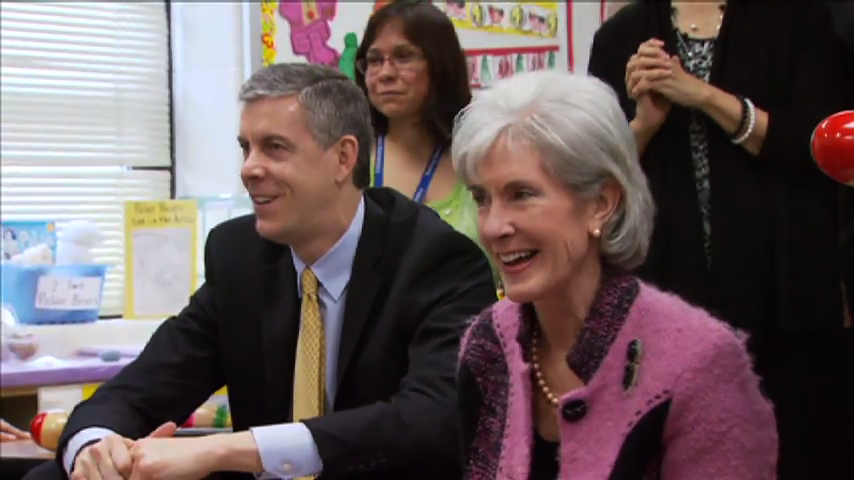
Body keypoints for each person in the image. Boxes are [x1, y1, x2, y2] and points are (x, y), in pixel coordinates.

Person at [27, 63, 496, 480]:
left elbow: (431, 418)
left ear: (343, 158)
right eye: (245, 147)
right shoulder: (240, 255)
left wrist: (228, 450)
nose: (249, 169)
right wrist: (94, 447)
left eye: (274, 148)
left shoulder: (435, 260)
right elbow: (144, 386)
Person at [454, 70, 777, 479]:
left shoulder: (702, 362)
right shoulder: (486, 345)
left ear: (601, 203)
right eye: (483, 198)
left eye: (522, 195)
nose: (493, 226)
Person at [586, 2, 853, 476]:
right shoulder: (620, 36)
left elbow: (819, 150)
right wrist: (645, 124)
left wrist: (702, 95)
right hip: (667, 297)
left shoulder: (798, 20)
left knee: (800, 447)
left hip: (784, 295)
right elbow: (596, 182)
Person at [354, 1, 478, 241]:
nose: (386, 74)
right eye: (374, 60)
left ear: (441, 64)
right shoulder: (348, 160)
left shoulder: (479, 158)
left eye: (403, 56)